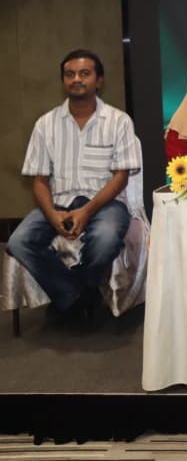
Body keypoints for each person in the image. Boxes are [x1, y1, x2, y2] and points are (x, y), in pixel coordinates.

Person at [6, 49, 142, 319]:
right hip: (58, 201)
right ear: (63, 81)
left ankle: (76, 293)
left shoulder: (118, 122)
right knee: (18, 241)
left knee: (104, 240)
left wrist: (87, 211)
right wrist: (51, 214)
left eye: (84, 73)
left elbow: (121, 177)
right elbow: (39, 180)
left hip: (105, 203)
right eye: (70, 74)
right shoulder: (45, 124)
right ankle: (76, 294)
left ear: (99, 80)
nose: (76, 79)